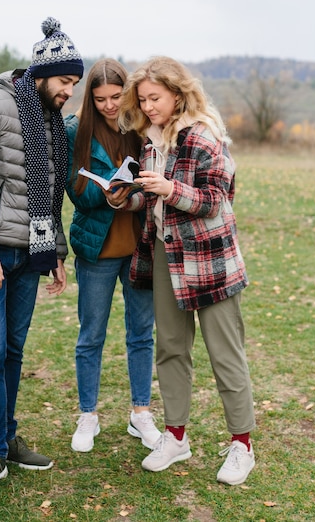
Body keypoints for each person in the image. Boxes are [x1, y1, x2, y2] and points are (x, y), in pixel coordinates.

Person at [0, 17, 84, 500]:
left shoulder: (48, 118)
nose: (70, 91)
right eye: (66, 81)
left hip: (31, 254)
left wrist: (56, 252)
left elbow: (48, 192)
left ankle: (7, 438)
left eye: (74, 84)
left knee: (13, 351)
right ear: (44, 74)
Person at [105, 56, 256, 486]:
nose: (148, 106)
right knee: (170, 349)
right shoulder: (150, 140)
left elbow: (214, 199)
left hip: (211, 262)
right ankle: (175, 437)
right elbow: (152, 199)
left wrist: (170, 188)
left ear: (177, 93)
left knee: (225, 354)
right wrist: (124, 197)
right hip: (166, 259)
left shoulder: (205, 135)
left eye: (155, 98)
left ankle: (242, 445)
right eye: (143, 99)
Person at [64, 58, 161, 453]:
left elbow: (153, 184)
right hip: (97, 249)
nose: (108, 105)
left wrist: (133, 196)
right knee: (91, 335)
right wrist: (102, 195)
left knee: (141, 334)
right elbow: (74, 189)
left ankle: (141, 413)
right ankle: (88, 415)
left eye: (115, 96)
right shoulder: (76, 130)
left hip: (140, 246)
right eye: (100, 98)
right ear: (91, 97)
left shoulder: (141, 128)